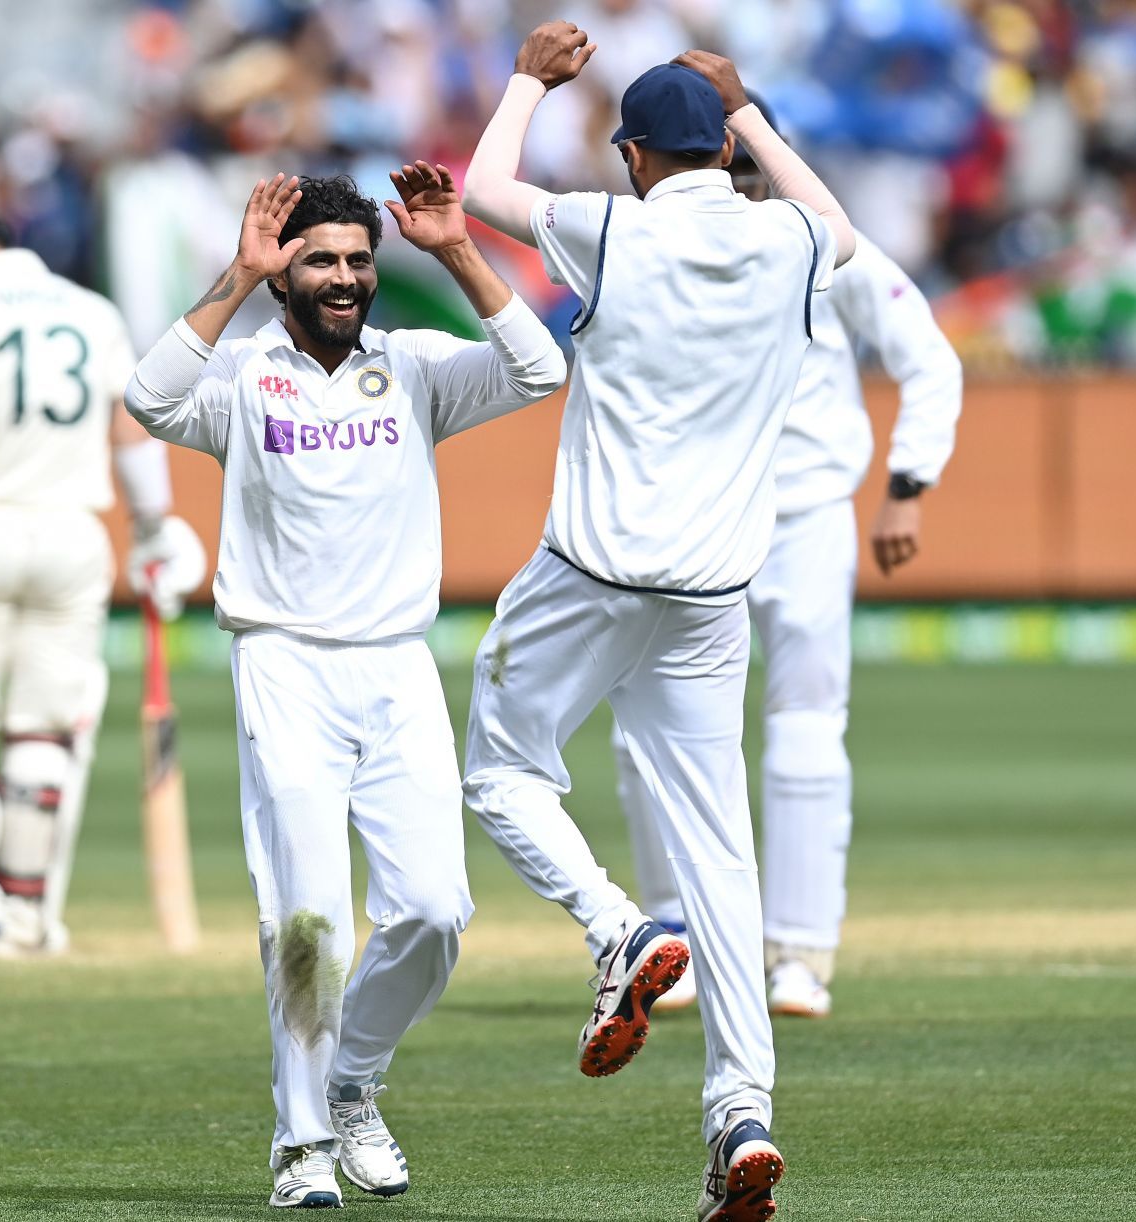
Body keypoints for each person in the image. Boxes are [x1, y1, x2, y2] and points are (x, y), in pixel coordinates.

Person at [459, 25, 856, 1222]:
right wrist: (750, 118)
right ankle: (743, 1111)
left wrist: (529, 76)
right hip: (710, 591)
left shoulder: (612, 226)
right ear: (720, 147)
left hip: (592, 567)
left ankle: (618, 930)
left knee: (501, 771)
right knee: (723, 854)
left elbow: (479, 191)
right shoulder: (788, 240)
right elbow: (841, 228)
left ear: (634, 154)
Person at [125, 169, 564, 1208]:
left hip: (397, 664)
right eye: (320, 260)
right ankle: (303, 1142)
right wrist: (238, 272)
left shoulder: (412, 368)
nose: (344, 278)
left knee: (434, 912)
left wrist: (455, 247)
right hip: (282, 662)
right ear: (286, 273)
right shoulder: (242, 376)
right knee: (310, 919)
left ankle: (354, 1077)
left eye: (360, 261)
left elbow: (541, 370)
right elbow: (147, 397)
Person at [620, 100, 963, 1019]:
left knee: (806, 725)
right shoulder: (652, 241)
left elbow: (928, 358)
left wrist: (909, 483)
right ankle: (671, 942)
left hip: (804, 510)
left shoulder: (820, 243)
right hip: (694, 516)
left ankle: (799, 956)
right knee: (652, 730)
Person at [0, 205, 206, 955]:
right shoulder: (91, 310)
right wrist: (154, 527)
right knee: (46, 727)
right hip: (75, 536)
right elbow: (130, 427)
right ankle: (27, 915)